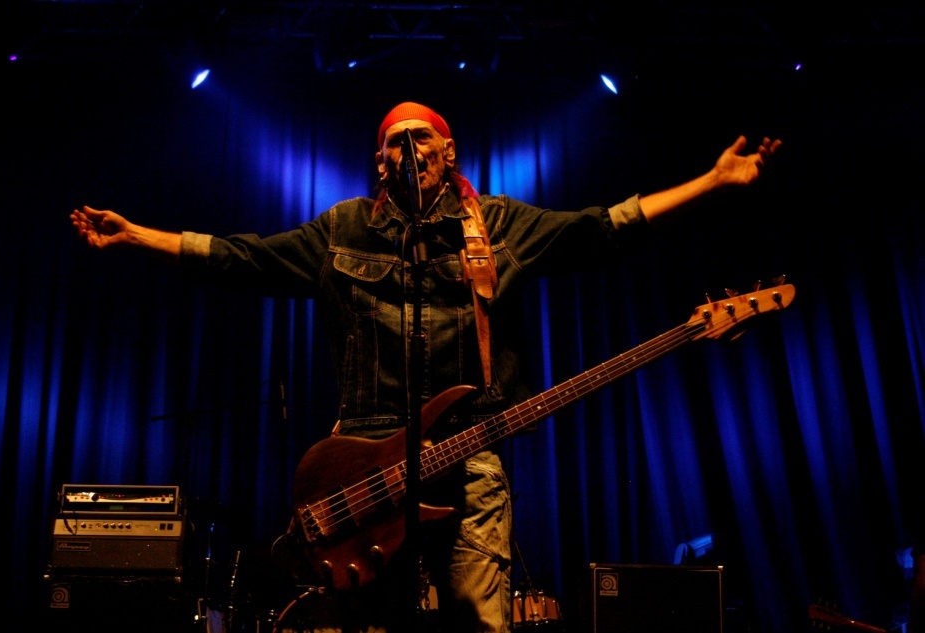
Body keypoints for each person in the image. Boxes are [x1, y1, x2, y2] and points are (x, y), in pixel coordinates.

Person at [70, 101, 781, 632]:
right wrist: (137, 236)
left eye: (420, 139)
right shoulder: (342, 229)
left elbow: (604, 228)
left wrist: (712, 182)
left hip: (467, 455)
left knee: (476, 614)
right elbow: (241, 255)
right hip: (360, 464)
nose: (408, 151)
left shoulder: (497, 226)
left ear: (448, 153)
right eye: (393, 144)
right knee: (368, 625)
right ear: (380, 163)